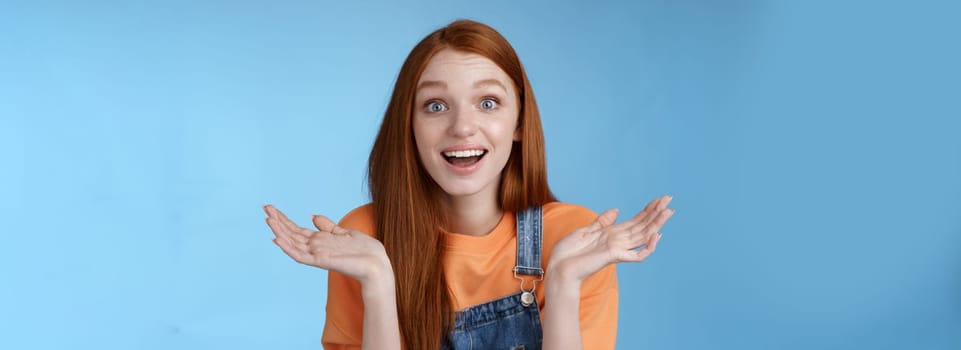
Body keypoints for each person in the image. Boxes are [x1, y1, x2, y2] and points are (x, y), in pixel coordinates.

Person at [263, 19, 674, 350]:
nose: (461, 126)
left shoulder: (572, 238)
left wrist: (564, 282)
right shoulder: (365, 238)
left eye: (488, 102)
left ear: (519, 123)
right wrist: (377, 282)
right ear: (409, 127)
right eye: (435, 106)